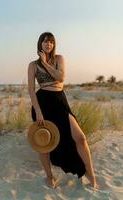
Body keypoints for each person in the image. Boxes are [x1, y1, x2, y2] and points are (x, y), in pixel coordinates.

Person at [28, 32, 99, 189]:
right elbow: (31, 90)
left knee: (80, 137)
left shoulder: (59, 59)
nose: (48, 44)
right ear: (40, 44)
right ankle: (49, 176)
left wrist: (46, 63)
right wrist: (38, 111)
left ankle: (91, 174)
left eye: (51, 42)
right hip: (42, 103)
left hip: (60, 101)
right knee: (43, 143)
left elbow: (60, 78)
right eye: (45, 42)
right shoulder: (32, 65)